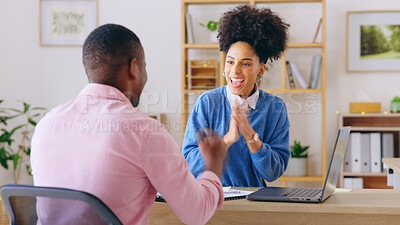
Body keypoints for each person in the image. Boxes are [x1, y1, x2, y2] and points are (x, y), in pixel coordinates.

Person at [31, 24, 227, 225]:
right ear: (134, 68)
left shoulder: (46, 124)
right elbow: (197, 214)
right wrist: (213, 162)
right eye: (145, 67)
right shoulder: (145, 132)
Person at [182, 5, 290, 187]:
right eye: (230, 62)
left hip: (254, 203)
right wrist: (226, 140)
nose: (235, 71)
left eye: (246, 64)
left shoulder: (275, 108)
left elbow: (273, 172)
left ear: (260, 69)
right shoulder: (208, 102)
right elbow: (188, 164)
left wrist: (250, 137)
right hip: (210, 201)